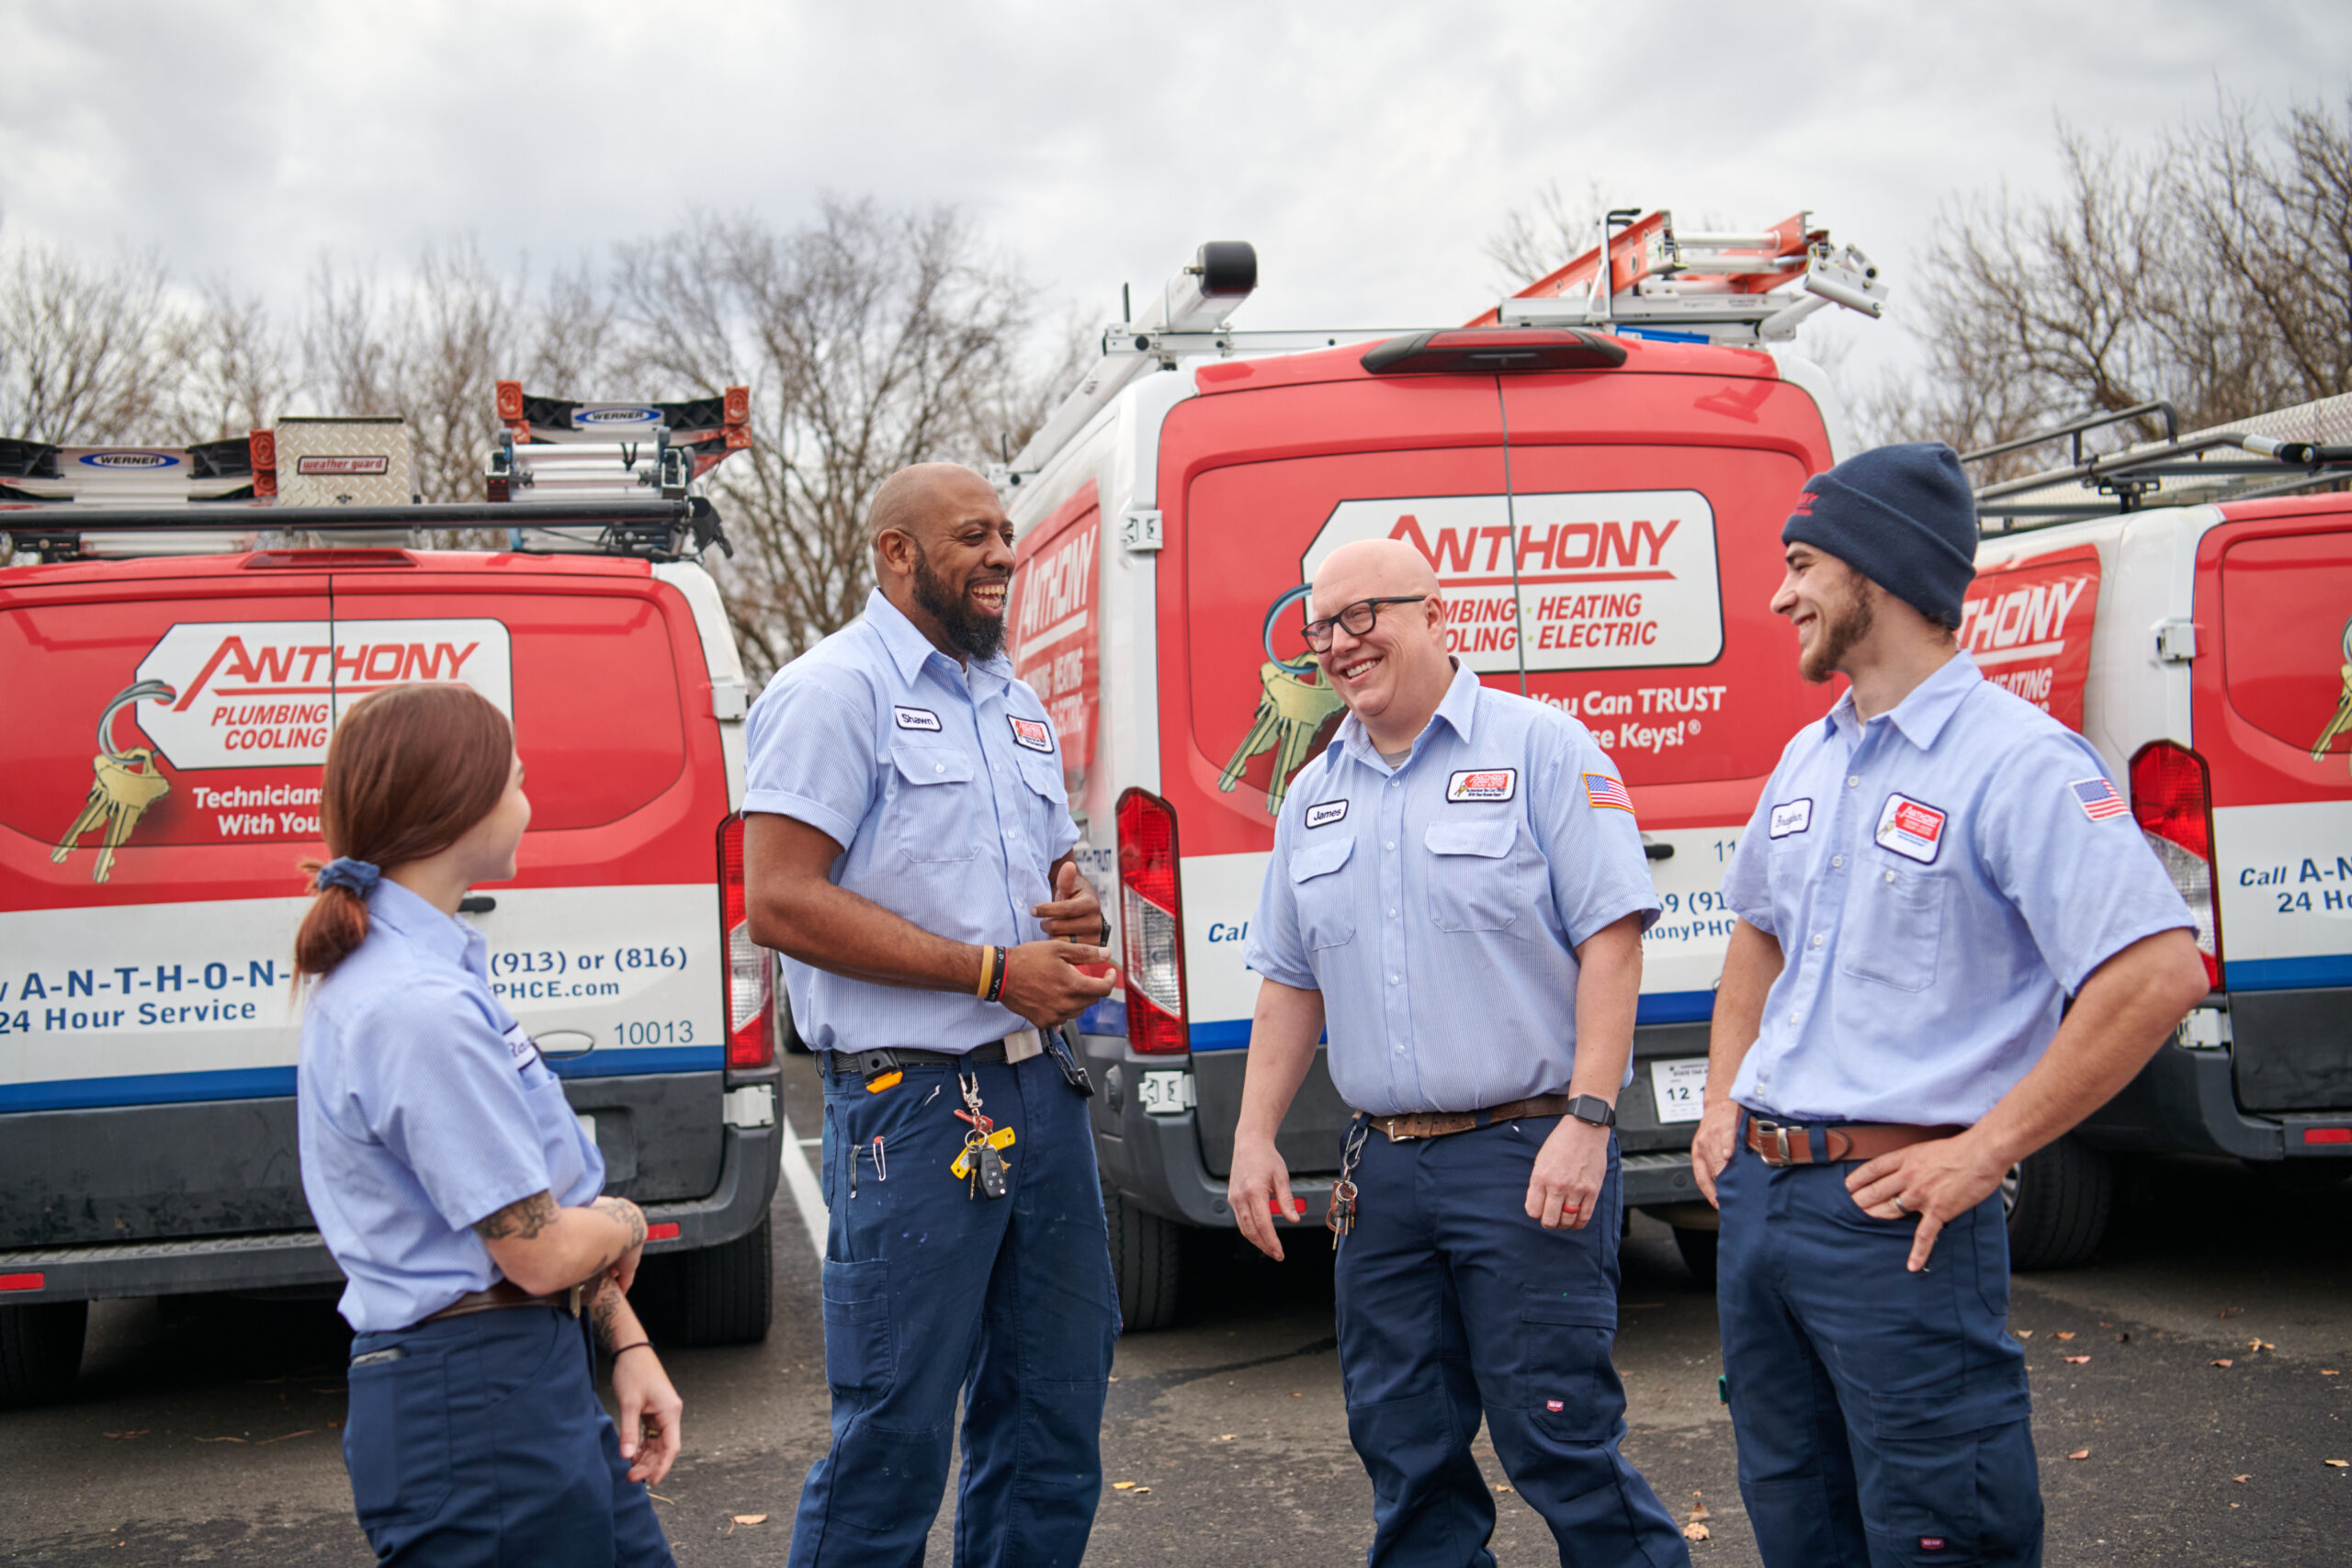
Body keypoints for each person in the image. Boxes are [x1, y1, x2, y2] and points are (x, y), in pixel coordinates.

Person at [1690, 443, 2210, 1566]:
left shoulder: (2016, 762)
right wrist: (1724, 1102)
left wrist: (1985, 1151)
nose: (1779, 594)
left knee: (1942, 1530)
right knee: (1797, 1520)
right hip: (1765, 1212)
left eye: (1802, 563)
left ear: (1877, 574)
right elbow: (1757, 933)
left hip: (1896, 1221)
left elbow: (2157, 973)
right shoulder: (1809, 761)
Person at [1228, 538, 1691, 1568]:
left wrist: (1587, 1120)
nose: (1341, 647)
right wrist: (1255, 1134)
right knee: (1405, 1453)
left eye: (1364, 617)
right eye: (1321, 629)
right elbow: (1290, 982)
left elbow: (1611, 941)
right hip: (1383, 1173)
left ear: (1441, 616)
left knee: (1558, 1439)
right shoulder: (1312, 796)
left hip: (1525, 1157)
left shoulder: (1543, 749)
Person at [742, 462, 1122, 1568]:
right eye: (974, 535)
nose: (1004, 554)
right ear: (896, 553)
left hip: (1037, 1094)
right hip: (913, 1107)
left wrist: (1076, 908)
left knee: (1053, 1415)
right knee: (896, 1436)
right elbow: (779, 898)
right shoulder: (830, 693)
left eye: (1007, 533)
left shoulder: (1013, 701)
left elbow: (1051, 874)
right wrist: (993, 972)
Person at [295, 682, 682, 1566]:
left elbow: (537, 1218)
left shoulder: (425, 977)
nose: (527, 801)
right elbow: (539, 1247)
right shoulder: (415, 1007)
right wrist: (625, 1219)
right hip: (474, 1409)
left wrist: (626, 1340)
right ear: (456, 808)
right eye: (514, 780)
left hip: (516, 1379)